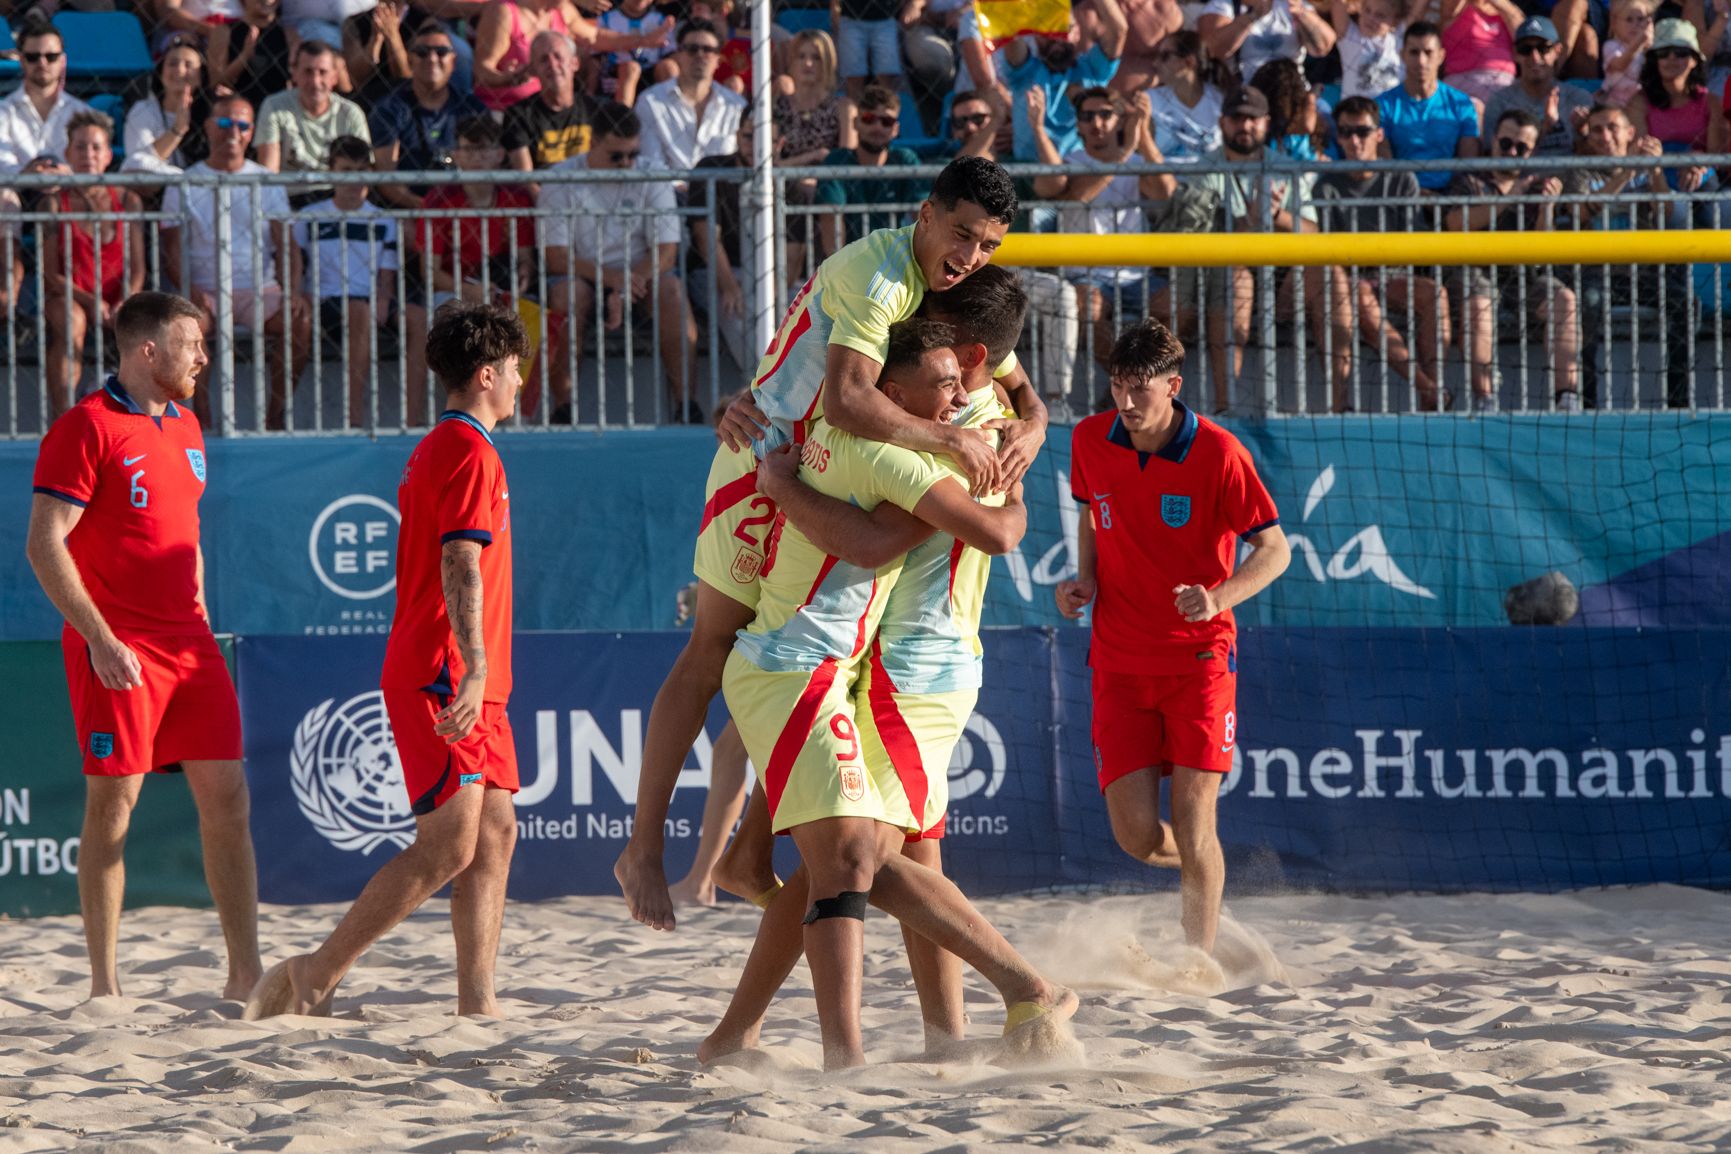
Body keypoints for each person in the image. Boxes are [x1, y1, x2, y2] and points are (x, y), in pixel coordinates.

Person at [612, 157, 1045, 933]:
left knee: (820, 671)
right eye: (962, 236)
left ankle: (749, 854)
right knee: (712, 652)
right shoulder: (880, 277)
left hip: (827, 474)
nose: (970, 257)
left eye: (986, 246)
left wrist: (1036, 427)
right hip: (764, 467)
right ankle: (644, 847)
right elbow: (846, 403)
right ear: (924, 211)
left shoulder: (943, 295)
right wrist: (949, 437)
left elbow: (1018, 383)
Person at [712, 318, 1073, 1070]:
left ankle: (942, 1031)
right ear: (888, 389)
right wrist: (1013, 477)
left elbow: (975, 508)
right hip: (877, 669)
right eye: (936, 383)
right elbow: (971, 530)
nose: (949, 395)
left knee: (864, 855)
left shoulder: (918, 431)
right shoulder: (918, 444)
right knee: (857, 856)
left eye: (955, 378)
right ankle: (968, 1018)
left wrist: (1025, 429)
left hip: (881, 667)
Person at [245, 302, 530, 1020]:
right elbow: (459, 559)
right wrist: (473, 665)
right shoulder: (466, 449)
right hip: (444, 670)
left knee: (495, 832)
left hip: (469, 672)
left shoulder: (453, 445)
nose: (523, 384)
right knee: (447, 846)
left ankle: (478, 1001)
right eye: (518, 371)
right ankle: (317, 971)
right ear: (488, 374)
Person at [26, 290, 261, 1001]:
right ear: (148, 350)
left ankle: (244, 974)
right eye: (194, 346)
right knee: (113, 805)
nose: (204, 359)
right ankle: (105, 985)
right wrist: (98, 636)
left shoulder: (187, 425)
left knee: (227, 797)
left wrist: (200, 611)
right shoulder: (84, 428)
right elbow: (44, 544)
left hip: (189, 642)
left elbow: (182, 537)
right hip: (117, 642)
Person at [1056, 318, 1290, 956]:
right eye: (1116, 387)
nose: (1126, 403)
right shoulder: (1088, 439)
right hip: (1119, 661)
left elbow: (1275, 550)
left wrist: (1216, 598)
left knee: (1195, 826)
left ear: (1173, 385)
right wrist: (1083, 580)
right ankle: (1200, 878)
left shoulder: (1219, 452)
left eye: (1140, 390)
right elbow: (1091, 512)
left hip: (1199, 659)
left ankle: (1197, 961)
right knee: (1136, 838)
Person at [1150, 87, 1350, 413]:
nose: (1245, 126)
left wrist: (1275, 216)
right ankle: (1226, 409)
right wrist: (1249, 221)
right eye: (1237, 118)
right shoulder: (1204, 170)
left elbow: (1314, 232)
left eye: (1253, 119)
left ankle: (1343, 406)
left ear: (1266, 123)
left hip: (1284, 278)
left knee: (1331, 277)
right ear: (1222, 122)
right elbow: (1199, 243)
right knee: (1235, 279)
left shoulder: (1285, 167)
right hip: (1220, 280)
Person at [538, 101, 699, 425]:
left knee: (671, 290)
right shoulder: (560, 178)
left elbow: (666, 250)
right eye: (616, 156)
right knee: (567, 297)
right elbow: (556, 258)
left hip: (642, 273)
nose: (627, 163)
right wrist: (615, 281)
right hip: (580, 274)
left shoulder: (652, 172)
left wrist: (625, 286)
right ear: (593, 143)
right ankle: (563, 408)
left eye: (632, 155)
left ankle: (687, 405)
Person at [160, 94, 314, 430]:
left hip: (260, 288)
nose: (234, 131)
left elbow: (285, 245)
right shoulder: (184, 182)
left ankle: (275, 416)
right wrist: (190, 290)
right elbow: (170, 250)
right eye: (226, 123)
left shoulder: (266, 181)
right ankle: (201, 420)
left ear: (251, 132)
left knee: (300, 320)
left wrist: (294, 291)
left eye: (242, 125)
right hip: (203, 290)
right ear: (209, 127)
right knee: (187, 330)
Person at [1031, 87, 1177, 372]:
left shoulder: (1136, 161)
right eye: (1087, 116)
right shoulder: (1072, 162)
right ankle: (1126, 379)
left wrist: (1142, 131)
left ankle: (1141, 384)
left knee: (1178, 306)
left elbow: (1165, 191)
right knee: (1088, 309)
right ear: (1078, 125)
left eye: (1105, 114)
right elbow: (1076, 198)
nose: (1096, 123)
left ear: (1120, 120)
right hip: (1088, 274)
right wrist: (1122, 157)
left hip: (1136, 274)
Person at [1316, 96, 1448, 410]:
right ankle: (1430, 389)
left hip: (1393, 275)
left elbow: (1411, 246)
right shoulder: (1325, 185)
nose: (1354, 140)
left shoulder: (1401, 179)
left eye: (1362, 131)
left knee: (1436, 295)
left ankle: (1432, 397)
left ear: (1379, 134)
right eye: (1346, 132)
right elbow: (1328, 252)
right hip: (1350, 282)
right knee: (1360, 294)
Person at [1442, 108, 1579, 412]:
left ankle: (1567, 396)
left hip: (1523, 277)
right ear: (1493, 140)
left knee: (1564, 299)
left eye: (1522, 148)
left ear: (1532, 152)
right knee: (1479, 303)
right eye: (1506, 143)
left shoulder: (1538, 186)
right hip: (1476, 272)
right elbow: (1455, 223)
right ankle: (1485, 398)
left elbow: (1544, 251)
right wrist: (1509, 196)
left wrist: (1547, 209)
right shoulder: (1470, 179)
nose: (1512, 152)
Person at [404, 115, 535, 420]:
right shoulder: (438, 200)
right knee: (429, 323)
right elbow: (429, 271)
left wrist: (521, 279)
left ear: (500, 154)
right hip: (453, 290)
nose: (477, 158)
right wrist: (468, 289)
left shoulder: (515, 197)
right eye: (470, 150)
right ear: (458, 154)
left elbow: (525, 259)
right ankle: (413, 420)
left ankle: (522, 416)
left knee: (534, 316)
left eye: (485, 149)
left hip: (500, 290)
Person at [1562, 104, 1693, 409]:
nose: (1604, 136)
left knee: (1686, 306)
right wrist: (1627, 173)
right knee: (1586, 307)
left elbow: (1667, 214)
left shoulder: (1647, 169)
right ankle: (1588, 401)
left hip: (1644, 274)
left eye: (1612, 127)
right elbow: (1580, 211)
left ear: (1630, 132)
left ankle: (1679, 400)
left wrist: (1656, 169)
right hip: (1596, 273)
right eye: (1596, 129)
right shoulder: (1579, 170)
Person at [44, 112, 148, 419]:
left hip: (117, 295)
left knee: (141, 320)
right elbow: (50, 273)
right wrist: (91, 301)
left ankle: (138, 416)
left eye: (95, 147)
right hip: (70, 296)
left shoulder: (128, 200)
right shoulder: (53, 203)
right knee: (71, 321)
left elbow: (138, 267)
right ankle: (63, 418)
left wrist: (125, 300)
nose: (88, 154)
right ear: (67, 154)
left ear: (107, 154)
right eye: (80, 147)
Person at [292, 136, 399, 429]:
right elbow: (294, 263)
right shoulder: (309, 216)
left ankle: (355, 418)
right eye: (346, 170)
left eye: (361, 171)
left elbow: (386, 275)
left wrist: (383, 298)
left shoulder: (383, 220)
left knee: (368, 311)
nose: (354, 180)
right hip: (321, 300)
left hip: (365, 301)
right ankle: (280, 413)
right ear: (330, 172)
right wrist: (298, 294)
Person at [371, 23, 489, 210]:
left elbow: (487, 168)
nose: (432, 59)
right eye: (422, 52)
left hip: (466, 208)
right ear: (410, 60)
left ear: (454, 62)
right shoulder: (389, 109)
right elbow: (387, 179)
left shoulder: (472, 108)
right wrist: (427, 210)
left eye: (441, 51)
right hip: (410, 210)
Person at [1004, 0, 1129, 160]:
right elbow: (1011, 33)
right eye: (1046, 31)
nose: (1055, 38)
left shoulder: (1093, 69)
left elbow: (1119, 30)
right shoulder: (1025, 72)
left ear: (1077, 33)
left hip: (1081, 168)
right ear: (1035, 38)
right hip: (1031, 171)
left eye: (1062, 29)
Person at [1376, 21, 1484, 192]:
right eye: (1414, 52)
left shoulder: (1461, 104)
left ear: (1441, 56)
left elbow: (1467, 166)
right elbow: (1386, 167)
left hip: (1450, 198)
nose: (1421, 61)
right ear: (1402, 55)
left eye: (1428, 52)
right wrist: (1418, 195)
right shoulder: (1383, 105)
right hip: (1401, 196)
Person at [816, 86, 923, 254]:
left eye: (886, 122)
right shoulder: (838, 160)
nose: (877, 127)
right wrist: (841, 271)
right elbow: (831, 217)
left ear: (895, 129)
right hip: (851, 260)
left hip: (896, 259)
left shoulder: (904, 160)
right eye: (868, 118)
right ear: (855, 123)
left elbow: (923, 214)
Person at [637, 19, 748, 177]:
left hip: (721, 195)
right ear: (679, 54)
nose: (700, 55)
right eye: (692, 49)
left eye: (708, 50)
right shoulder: (650, 102)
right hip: (668, 195)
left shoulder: (736, 106)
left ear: (718, 59)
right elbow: (651, 165)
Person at [255, 40, 373, 181]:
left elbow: (362, 170)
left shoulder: (350, 113)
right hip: (290, 197)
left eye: (322, 72)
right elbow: (269, 171)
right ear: (294, 73)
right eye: (308, 72)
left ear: (334, 77)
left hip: (335, 196)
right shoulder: (274, 107)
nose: (315, 81)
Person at [1482, 16, 1595, 155]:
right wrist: (1545, 127)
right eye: (1525, 49)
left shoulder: (1579, 99)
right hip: (1520, 176)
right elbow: (1493, 158)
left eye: (1543, 48)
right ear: (1515, 53)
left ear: (1557, 51)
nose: (1534, 57)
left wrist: (1582, 132)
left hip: (1569, 176)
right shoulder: (1500, 102)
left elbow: (1595, 159)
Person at [0, 17, 92, 176]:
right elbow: (3, 164)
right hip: (18, 192)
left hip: (71, 193)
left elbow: (91, 165)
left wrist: (67, 174)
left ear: (63, 61)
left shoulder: (83, 113)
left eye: (51, 57)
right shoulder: (3, 111)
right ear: (22, 61)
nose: (42, 63)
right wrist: (27, 174)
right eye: (33, 57)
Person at [501, 30, 593, 179]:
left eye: (558, 56)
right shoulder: (519, 115)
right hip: (543, 196)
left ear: (574, 63)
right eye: (543, 60)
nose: (552, 64)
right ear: (533, 70)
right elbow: (526, 179)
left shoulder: (596, 110)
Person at [122, 36, 213, 175]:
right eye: (172, 64)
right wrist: (178, 129)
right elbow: (139, 164)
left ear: (201, 76)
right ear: (160, 73)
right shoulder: (143, 109)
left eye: (188, 65)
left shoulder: (212, 110)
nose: (179, 70)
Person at [1200, 0, 1337, 85]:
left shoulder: (1295, 5)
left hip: (1290, 92)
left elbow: (1323, 47)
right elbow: (1212, 50)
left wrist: (1301, 14)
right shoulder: (1223, 6)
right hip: (1245, 95)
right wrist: (1252, 17)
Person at [208, 0, 299, 116]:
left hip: (277, 112)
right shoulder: (224, 31)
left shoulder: (289, 35)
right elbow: (216, 83)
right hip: (238, 115)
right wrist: (244, 57)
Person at [1145, 29, 1224, 161]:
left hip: (1210, 178)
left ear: (1189, 62)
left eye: (1165, 56)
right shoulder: (1150, 100)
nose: (1155, 63)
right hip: (1164, 177)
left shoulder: (1220, 100)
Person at [595, 0, 676, 106]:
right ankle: (622, 116)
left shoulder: (661, 20)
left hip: (652, 73)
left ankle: (673, 112)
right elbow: (595, 52)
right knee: (632, 68)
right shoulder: (607, 19)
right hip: (618, 73)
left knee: (669, 67)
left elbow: (671, 53)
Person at [1439, 0, 1521, 102]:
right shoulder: (1456, 7)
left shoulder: (1506, 12)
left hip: (1503, 81)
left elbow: (1523, 36)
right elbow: (1450, 10)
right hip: (1461, 81)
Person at [1333, 0, 1408, 100]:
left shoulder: (1400, 41)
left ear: (1395, 22)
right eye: (1367, 10)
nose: (1370, 18)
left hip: (1390, 112)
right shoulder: (1350, 38)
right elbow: (1338, 4)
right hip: (1354, 111)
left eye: (1380, 15)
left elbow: (1419, 8)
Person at [1599, 0, 1656, 106]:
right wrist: (1638, 43)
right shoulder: (1611, 46)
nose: (1635, 24)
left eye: (1640, 19)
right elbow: (1619, 65)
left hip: (1642, 101)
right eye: (1629, 20)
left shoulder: (1651, 50)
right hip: (1615, 101)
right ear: (1615, 24)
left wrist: (1648, 46)